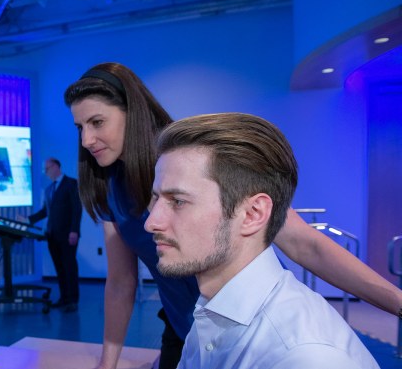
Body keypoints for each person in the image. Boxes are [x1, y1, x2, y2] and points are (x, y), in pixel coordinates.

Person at [63, 62, 402, 369]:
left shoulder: (187, 160)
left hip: (242, 320)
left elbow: (304, 243)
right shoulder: (107, 184)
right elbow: (122, 281)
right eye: (80, 127)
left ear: (131, 114)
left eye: (97, 122)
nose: (87, 139)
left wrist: (398, 303)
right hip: (193, 322)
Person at [145, 112, 379, 368]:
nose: (151, 222)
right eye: (157, 199)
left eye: (178, 201)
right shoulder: (212, 307)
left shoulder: (303, 357)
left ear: (252, 214)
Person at [21, 157, 83, 312]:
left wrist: (74, 230)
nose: (45, 172)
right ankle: (64, 298)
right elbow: (45, 211)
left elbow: (77, 209)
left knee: (69, 267)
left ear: (56, 166)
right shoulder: (49, 189)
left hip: (68, 235)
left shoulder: (71, 184)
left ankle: (73, 300)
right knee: (59, 268)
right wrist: (28, 219)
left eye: (47, 169)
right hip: (52, 235)